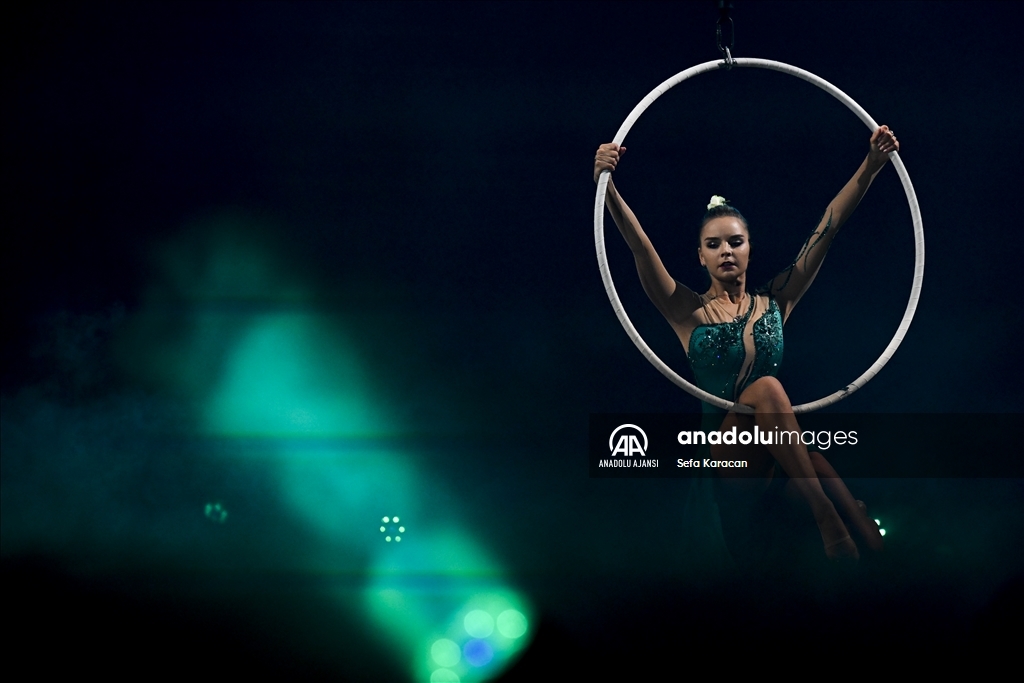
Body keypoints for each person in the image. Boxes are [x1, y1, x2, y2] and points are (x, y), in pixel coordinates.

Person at [594, 126, 897, 561]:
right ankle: (828, 517)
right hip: (726, 462)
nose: (726, 251)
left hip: (772, 459)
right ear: (700, 256)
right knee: (767, 390)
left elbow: (827, 227)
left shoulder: (777, 301)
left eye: (735, 242)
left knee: (816, 462)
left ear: (750, 249)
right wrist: (607, 188)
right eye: (713, 245)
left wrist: (872, 164)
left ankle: (873, 546)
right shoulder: (689, 312)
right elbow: (641, 248)